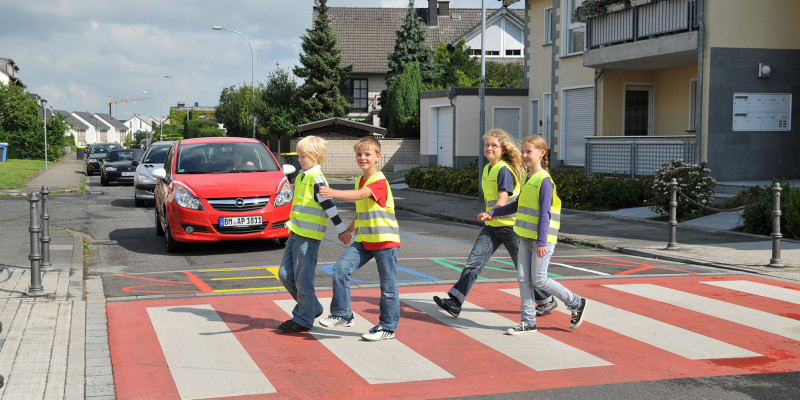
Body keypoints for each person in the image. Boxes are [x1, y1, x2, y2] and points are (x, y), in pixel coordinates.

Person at [433, 129, 558, 319]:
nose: (489, 148)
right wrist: (490, 216)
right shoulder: (487, 168)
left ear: (503, 149)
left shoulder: (504, 170)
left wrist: (491, 213)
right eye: (486, 145)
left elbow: (503, 199)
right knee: (473, 262)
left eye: (493, 145)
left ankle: (546, 301)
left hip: (510, 227)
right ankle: (455, 301)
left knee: (523, 269)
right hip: (492, 226)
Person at [479, 135, 588, 335]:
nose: (524, 155)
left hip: (541, 240)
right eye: (523, 152)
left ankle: (576, 302)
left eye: (529, 151)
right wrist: (492, 213)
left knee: (539, 280)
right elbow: (517, 204)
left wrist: (541, 242)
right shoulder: (529, 177)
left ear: (542, 153)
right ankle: (528, 322)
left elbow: (545, 213)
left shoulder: (544, 180)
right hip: (525, 236)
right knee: (523, 279)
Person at [317, 137, 401, 341]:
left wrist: (331, 192)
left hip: (385, 242)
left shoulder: (379, 181)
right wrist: (349, 230)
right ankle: (342, 314)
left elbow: (360, 195)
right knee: (340, 269)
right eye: (359, 154)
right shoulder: (359, 180)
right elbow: (361, 211)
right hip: (364, 240)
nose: (362, 158)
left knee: (388, 287)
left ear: (378, 157)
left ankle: (387, 327)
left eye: (367, 154)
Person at [276, 136, 348, 333]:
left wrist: (341, 230)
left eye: (303, 156)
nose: (299, 159)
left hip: (308, 237)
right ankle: (312, 307)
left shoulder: (316, 179)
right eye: (298, 156)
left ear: (316, 156)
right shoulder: (302, 176)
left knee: (303, 279)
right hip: (296, 232)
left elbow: (329, 206)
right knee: (284, 274)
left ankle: (304, 319)